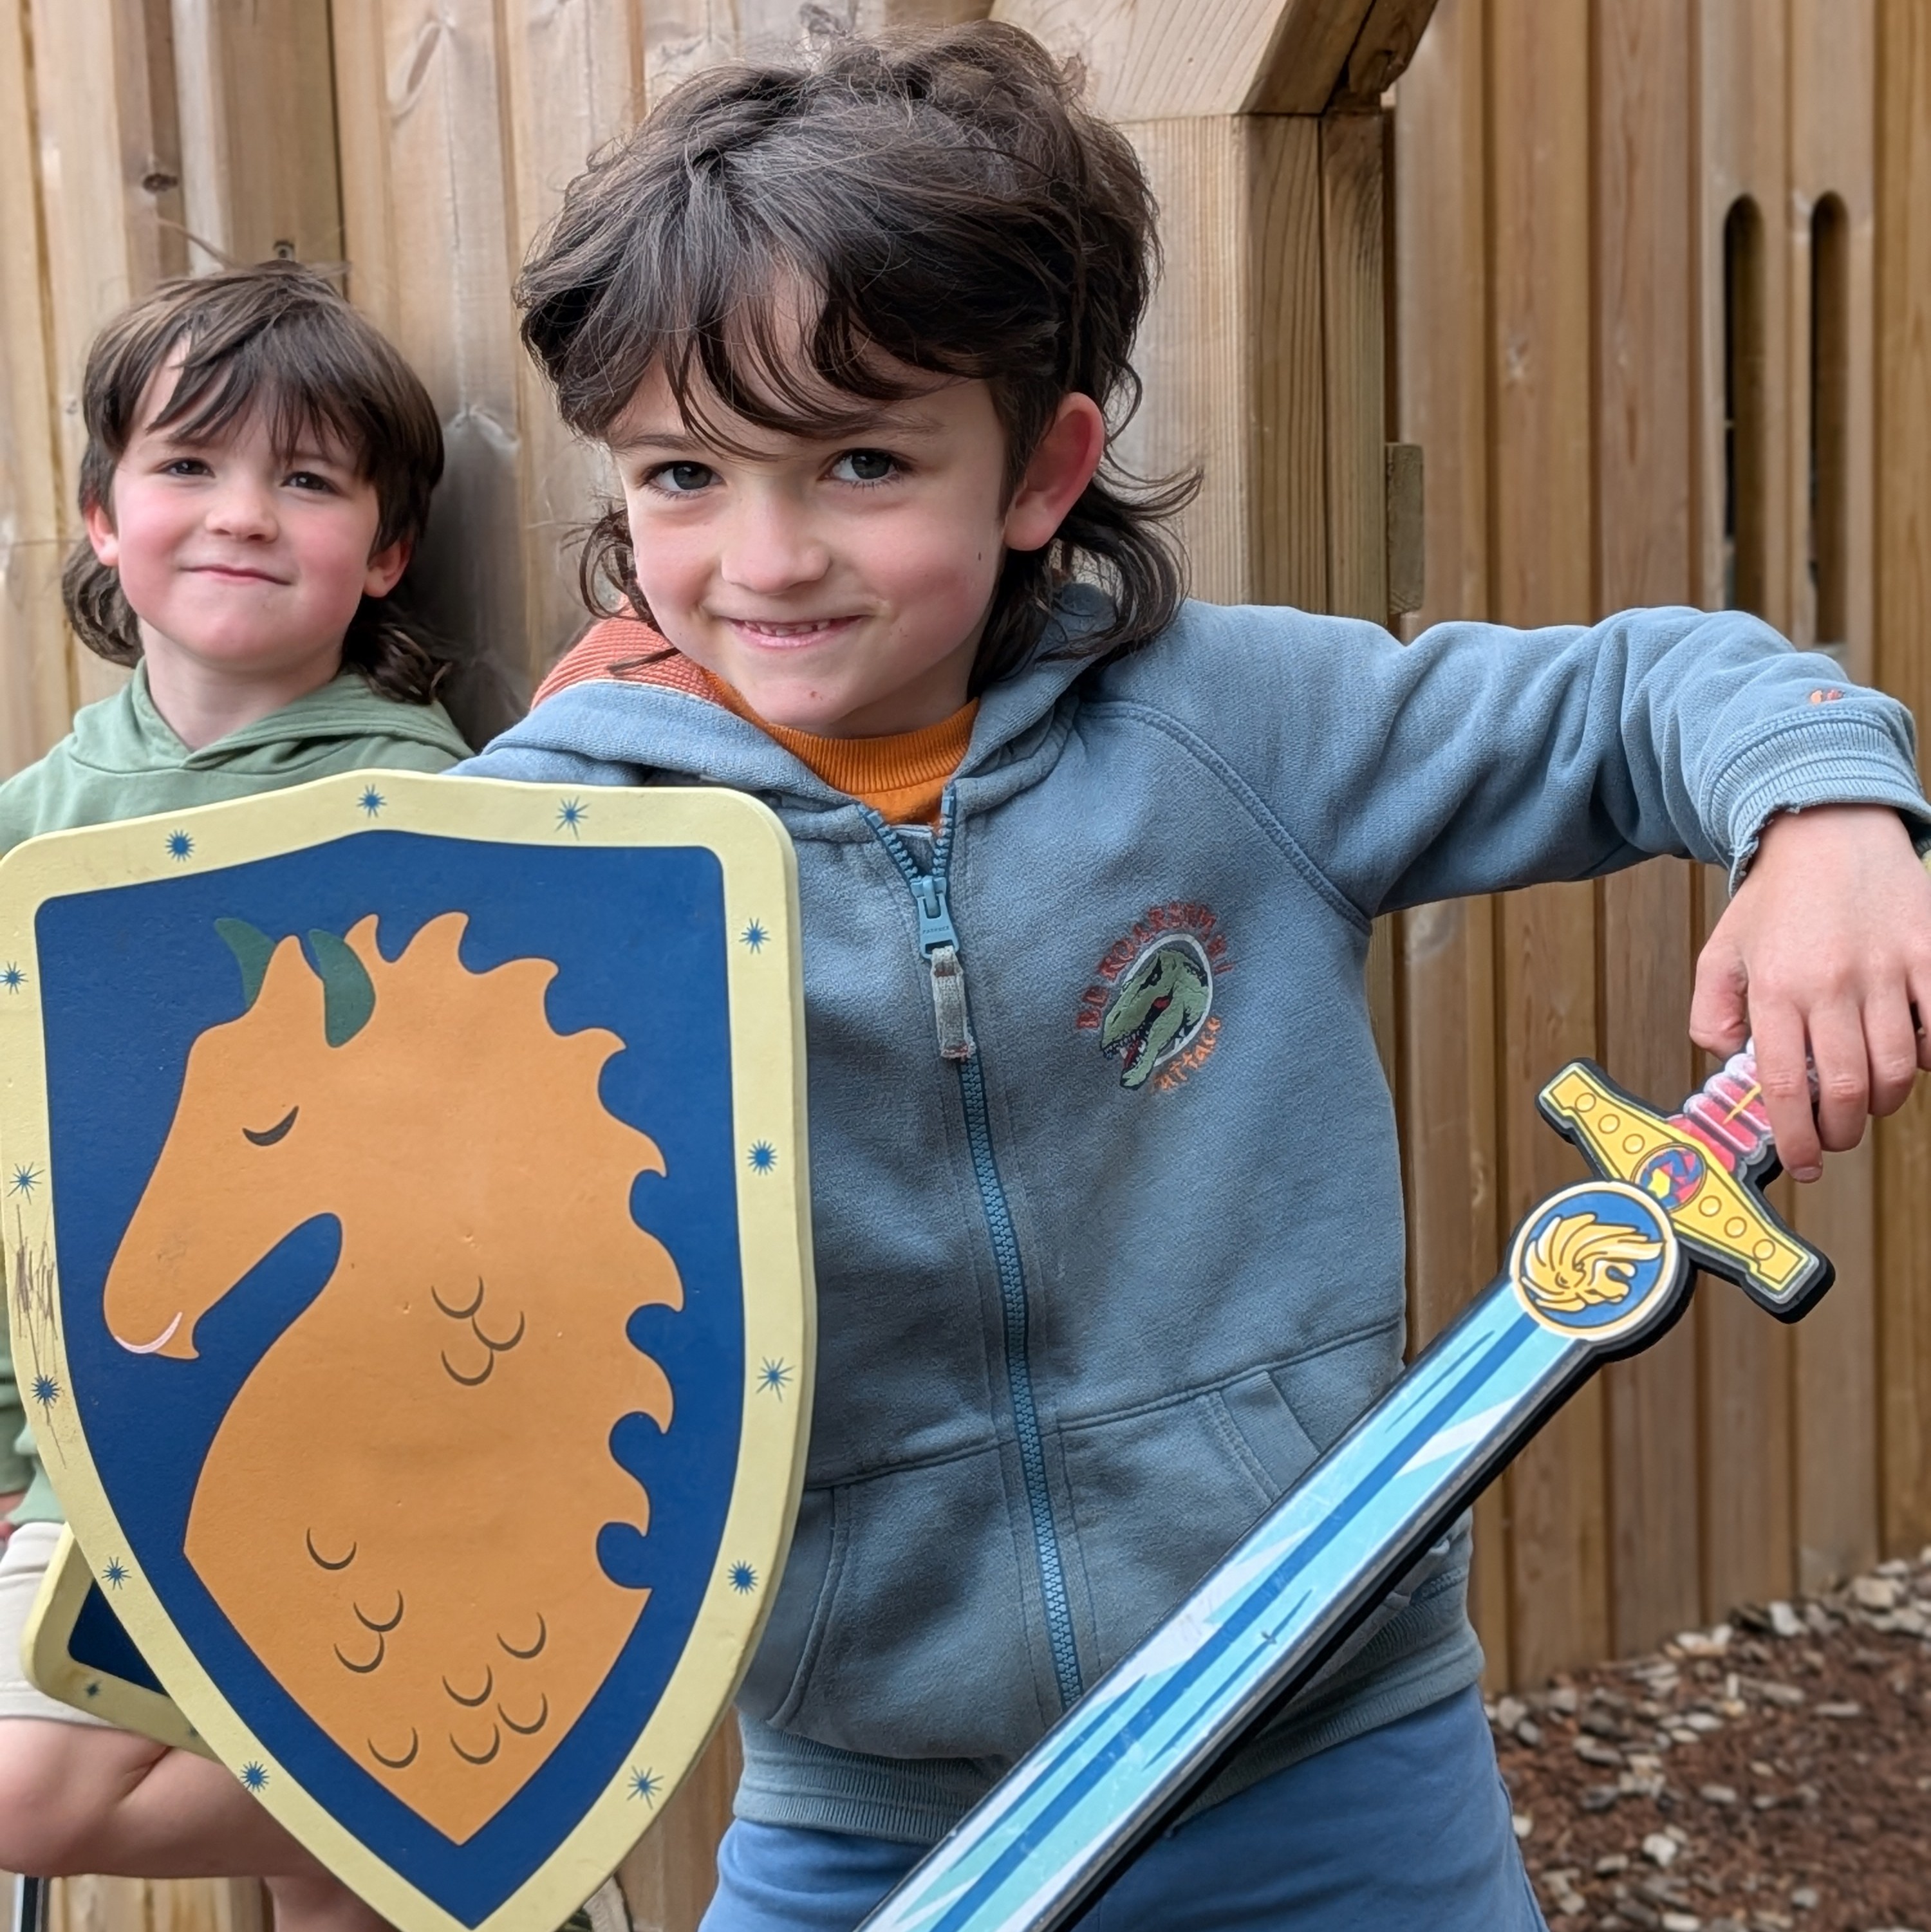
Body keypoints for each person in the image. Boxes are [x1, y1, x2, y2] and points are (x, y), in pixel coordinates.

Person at [469, 25, 1931, 1932]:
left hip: (1332, 1756)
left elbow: (1646, 690)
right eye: (681, 470)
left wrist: (1827, 809)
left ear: (1041, 465)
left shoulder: (1239, 724)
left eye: (860, 458)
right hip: (874, 1815)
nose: (767, 556)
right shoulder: (544, 861)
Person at [0, 261, 469, 1932]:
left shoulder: (416, 800)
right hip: (99, 1427)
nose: (243, 515)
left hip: (357, 1426)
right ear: (100, 516)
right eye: (189, 466)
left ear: (388, 548)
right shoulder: (32, 822)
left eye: (311, 480)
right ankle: (419, 1773)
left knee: (46, 1792)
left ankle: (446, 1768)